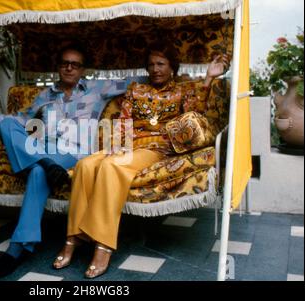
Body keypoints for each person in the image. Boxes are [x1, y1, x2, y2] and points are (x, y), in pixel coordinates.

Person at [52, 43, 230, 279]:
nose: (155, 69)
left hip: (157, 147)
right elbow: (123, 120)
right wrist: (117, 146)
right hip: (129, 145)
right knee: (85, 165)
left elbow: (195, 114)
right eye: (151, 65)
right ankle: (72, 238)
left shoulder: (183, 91)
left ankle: (103, 245)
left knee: (111, 166)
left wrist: (207, 78)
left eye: (161, 64)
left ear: (172, 67)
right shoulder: (136, 90)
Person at [0, 43, 133, 279]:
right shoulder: (45, 95)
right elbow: (22, 119)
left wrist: (176, 73)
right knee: (8, 125)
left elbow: (134, 80)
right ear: (58, 67)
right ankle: (44, 162)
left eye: (75, 64)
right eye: (65, 63)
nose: (69, 68)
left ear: (82, 69)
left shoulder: (97, 88)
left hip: (74, 152)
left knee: (36, 172)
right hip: (45, 148)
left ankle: (17, 248)